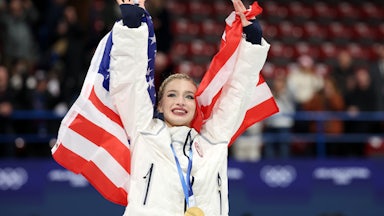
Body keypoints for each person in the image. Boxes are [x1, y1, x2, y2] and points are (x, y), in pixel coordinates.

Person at [110, 0, 269, 215]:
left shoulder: (214, 140)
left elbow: (238, 92)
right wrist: (131, 25)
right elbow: (129, 81)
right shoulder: (144, 132)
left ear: (196, 105)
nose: (180, 102)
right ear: (160, 103)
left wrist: (251, 39)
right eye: (172, 95)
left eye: (189, 96)